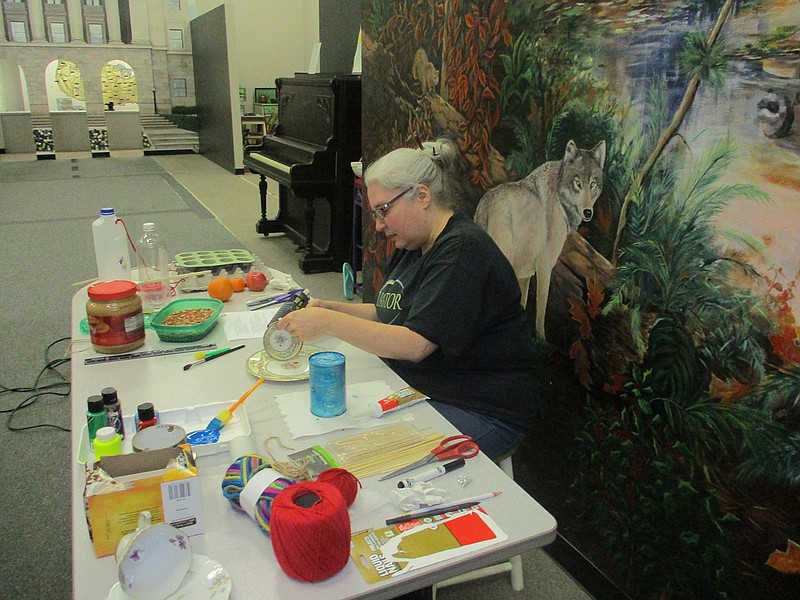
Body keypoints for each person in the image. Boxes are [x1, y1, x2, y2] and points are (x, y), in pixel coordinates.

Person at [277, 139, 543, 460]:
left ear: (422, 196)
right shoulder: (413, 246)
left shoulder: (462, 252)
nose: (378, 225)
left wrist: (329, 323)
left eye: (383, 210)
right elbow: (390, 312)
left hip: (483, 409)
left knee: (366, 455)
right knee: (337, 428)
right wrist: (332, 307)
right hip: (431, 389)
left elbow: (416, 344)